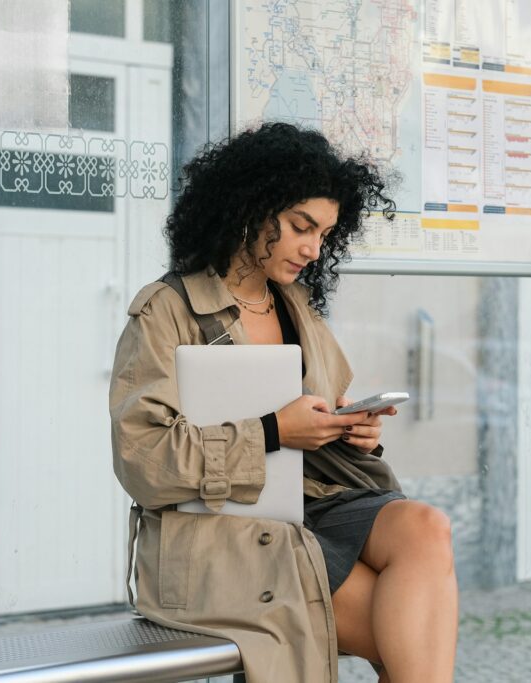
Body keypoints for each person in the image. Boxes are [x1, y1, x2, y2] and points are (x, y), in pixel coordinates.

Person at [109, 122, 458, 683]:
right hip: (225, 531)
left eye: (324, 234)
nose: (313, 249)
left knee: (426, 526)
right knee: (412, 634)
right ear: (252, 206)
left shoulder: (293, 305)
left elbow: (318, 413)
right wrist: (272, 432)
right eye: (301, 226)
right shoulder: (166, 311)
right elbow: (143, 460)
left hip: (315, 506)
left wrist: (351, 429)